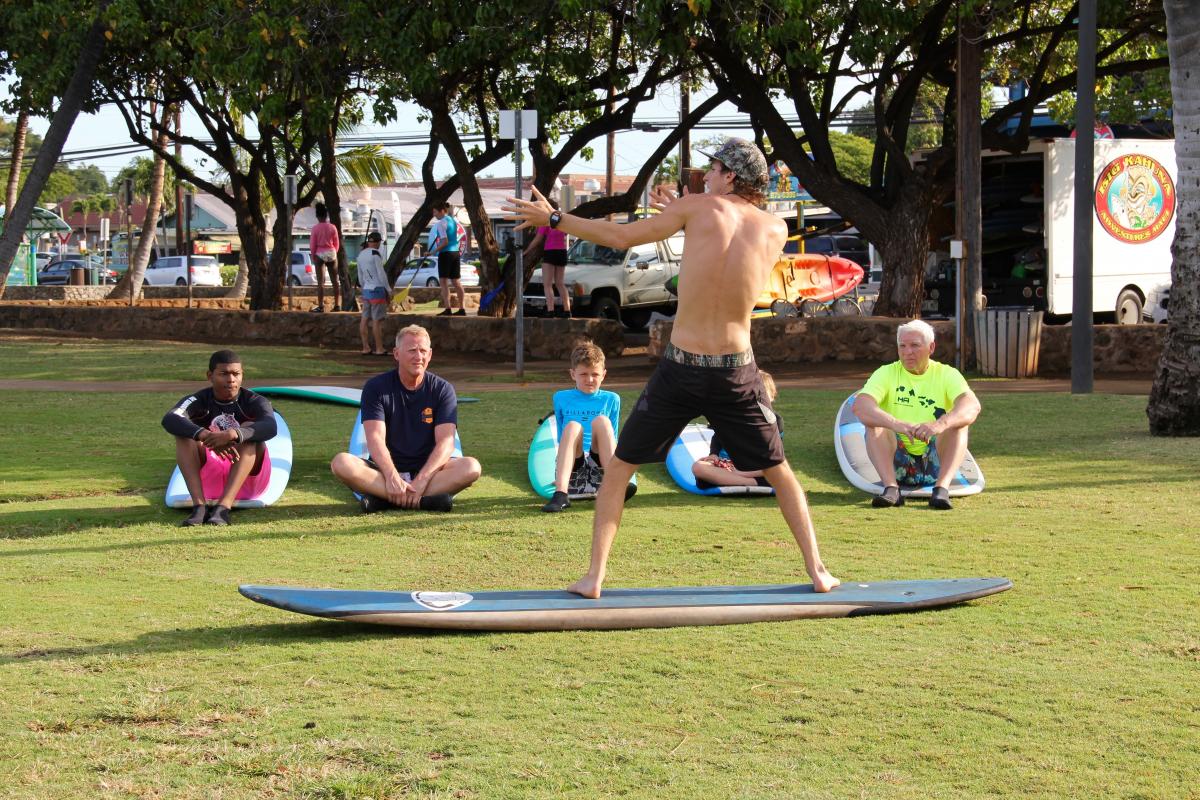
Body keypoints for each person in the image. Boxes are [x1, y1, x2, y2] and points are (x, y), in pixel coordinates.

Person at [503, 137, 839, 597]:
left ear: (731, 176)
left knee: (620, 467)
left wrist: (555, 218)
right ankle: (818, 571)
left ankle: (594, 578)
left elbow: (622, 237)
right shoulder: (775, 227)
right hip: (735, 369)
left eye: (714, 167)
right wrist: (683, 211)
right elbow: (725, 254)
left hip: (682, 367)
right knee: (779, 470)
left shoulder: (697, 209)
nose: (706, 174)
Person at [330, 325, 481, 513]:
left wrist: (422, 480)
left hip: (429, 473)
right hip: (384, 472)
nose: (418, 357)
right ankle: (425, 501)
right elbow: (375, 438)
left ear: (430, 354)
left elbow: (446, 443)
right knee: (341, 463)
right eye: (411, 350)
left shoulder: (443, 389)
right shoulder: (376, 388)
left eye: (423, 351)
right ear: (396, 353)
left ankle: (385, 500)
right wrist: (392, 477)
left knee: (471, 467)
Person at [852, 319, 982, 510]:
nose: (907, 352)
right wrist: (898, 424)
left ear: (931, 348)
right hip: (898, 457)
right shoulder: (886, 373)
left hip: (934, 457)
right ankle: (891, 489)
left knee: (958, 424)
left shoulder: (947, 374)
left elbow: (972, 405)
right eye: (902, 346)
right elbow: (861, 406)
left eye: (914, 346)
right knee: (875, 424)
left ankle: (941, 490)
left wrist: (939, 424)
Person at [161, 350, 278, 527]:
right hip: (210, 479)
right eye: (224, 374)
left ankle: (223, 509)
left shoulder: (255, 400)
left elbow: (271, 426)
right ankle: (199, 507)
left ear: (242, 376)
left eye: (236, 374)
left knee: (248, 432)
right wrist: (205, 435)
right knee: (184, 436)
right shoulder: (199, 399)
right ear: (210, 375)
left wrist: (233, 434)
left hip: (248, 483)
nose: (231, 379)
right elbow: (170, 418)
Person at [542, 341, 637, 513]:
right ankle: (561, 494)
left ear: (604, 375)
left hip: (600, 462)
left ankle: (615, 485)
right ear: (573, 374)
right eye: (583, 374)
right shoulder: (561, 397)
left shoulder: (611, 399)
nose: (590, 379)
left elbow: (612, 436)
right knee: (572, 426)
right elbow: (561, 436)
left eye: (595, 374)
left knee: (602, 421)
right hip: (573, 463)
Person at [691, 371, 782, 490]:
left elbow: (774, 456)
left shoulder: (774, 421)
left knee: (777, 468)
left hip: (758, 467)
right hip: (729, 464)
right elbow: (719, 436)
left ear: (772, 396)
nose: (757, 400)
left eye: (762, 395)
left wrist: (746, 471)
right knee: (698, 467)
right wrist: (713, 454)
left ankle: (727, 479)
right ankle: (754, 483)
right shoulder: (732, 415)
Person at [523, 198, 571, 318]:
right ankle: (567, 310)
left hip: (550, 252)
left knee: (547, 284)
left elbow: (538, 239)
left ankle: (551, 310)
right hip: (562, 252)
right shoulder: (563, 219)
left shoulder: (546, 220)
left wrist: (526, 251)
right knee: (560, 283)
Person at [357, 231, 391, 356]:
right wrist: (388, 289)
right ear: (377, 242)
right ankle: (379, 348)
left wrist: (363, 287)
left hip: (366, 290)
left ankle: (365, 347)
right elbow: (381, 274)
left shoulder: (360, 255)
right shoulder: (376, 254)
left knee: (364, 319)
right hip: (377, 289)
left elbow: (360, 276)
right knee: (377, 321)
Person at [430, 202, 466, 316]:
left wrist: (433, 251)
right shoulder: (452, 220)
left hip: (446, 254)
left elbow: (444, 241)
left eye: (435, 212)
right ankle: (462, 308)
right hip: (455, 253)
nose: (434, 215)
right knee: (456, 281)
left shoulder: (441, 223)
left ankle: (448, 308)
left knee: (443, 282)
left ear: (441, 211)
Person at [309, 201, 341, 313]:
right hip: (331, 253)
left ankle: (321, 306)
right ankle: (337, 305)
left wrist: (314, 256)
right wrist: (334, 253)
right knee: (335, 281)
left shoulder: (315, 228)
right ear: (326, 215)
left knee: (320, 282)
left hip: (319, 254)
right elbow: (337, 243)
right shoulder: (333, 227)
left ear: (317, 216)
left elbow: (312, 245)